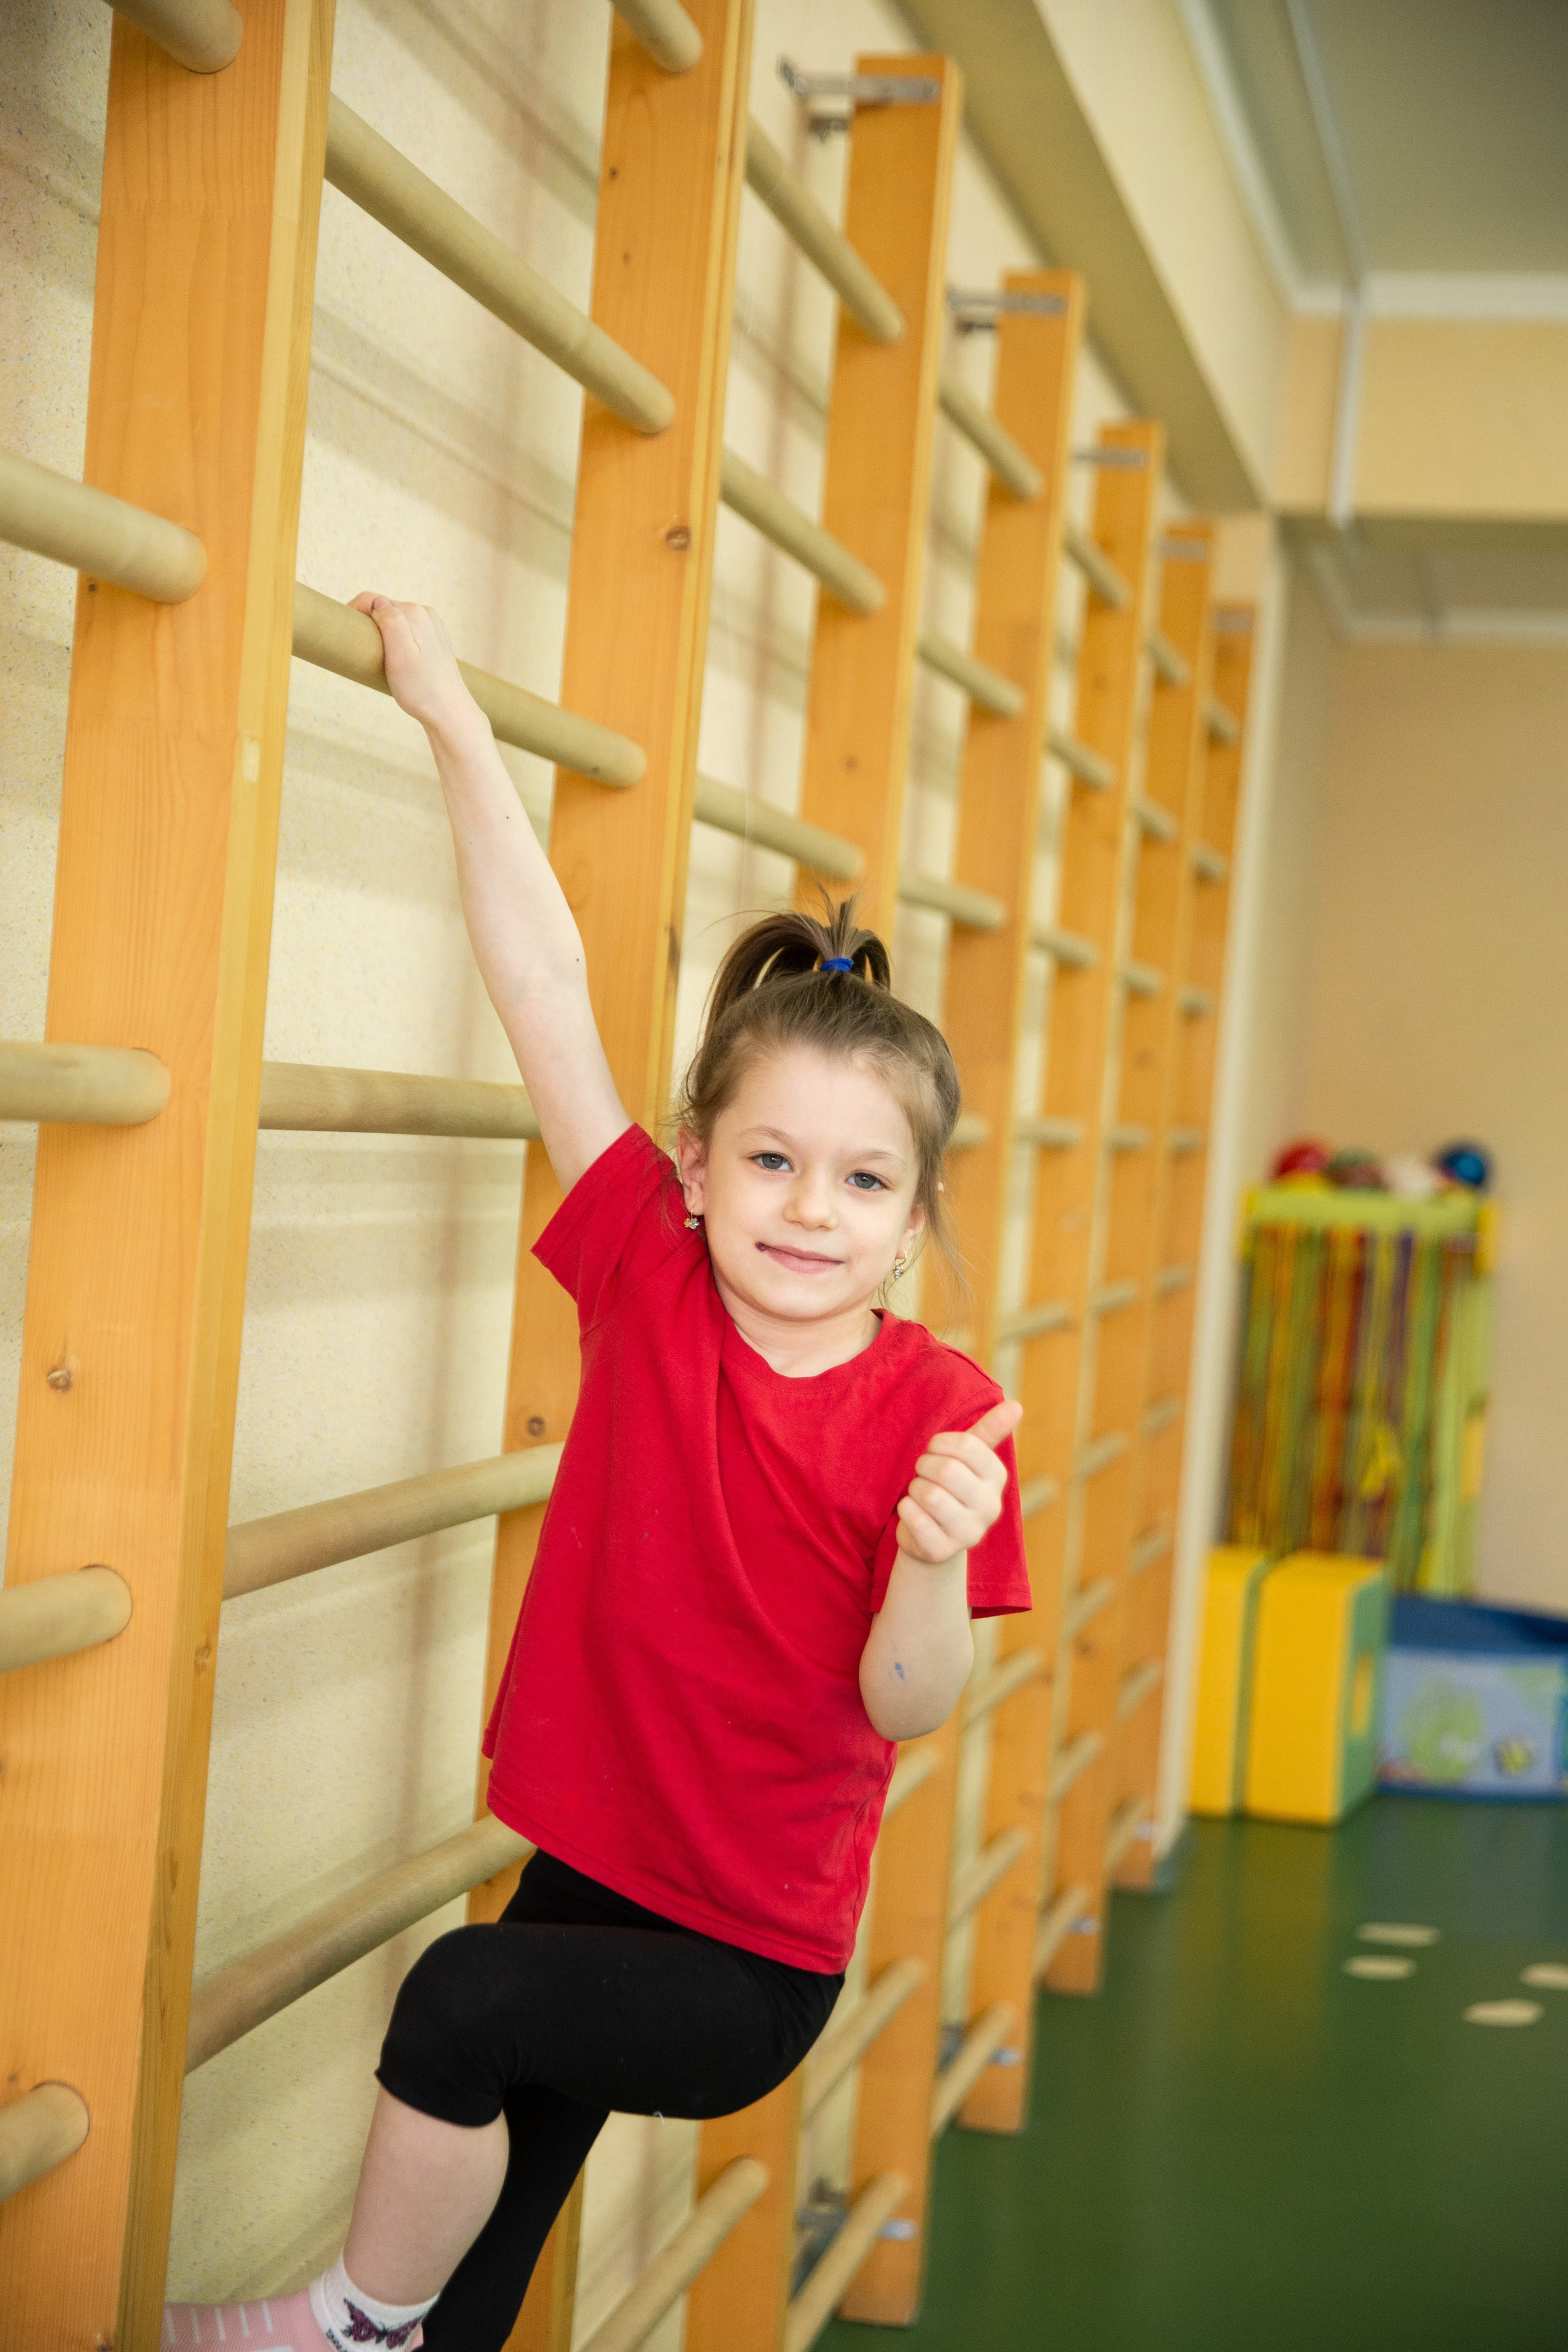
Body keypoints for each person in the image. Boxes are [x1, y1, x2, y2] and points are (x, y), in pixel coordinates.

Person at [165, 598, 1028, 2352]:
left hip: (748, 1961)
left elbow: (912, 1701)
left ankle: (341, 2329)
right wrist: (449, 719)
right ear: (695, 1170)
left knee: (461, 2000)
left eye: (865, 1183)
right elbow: (545, 986)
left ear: (914, 1226)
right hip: (601, 1868)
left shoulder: (942, 1410)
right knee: (476, 2257)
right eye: (773, 1158)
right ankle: (395, 2330)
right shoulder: (646, 1270)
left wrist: (936, 1561)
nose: (810, 1205)